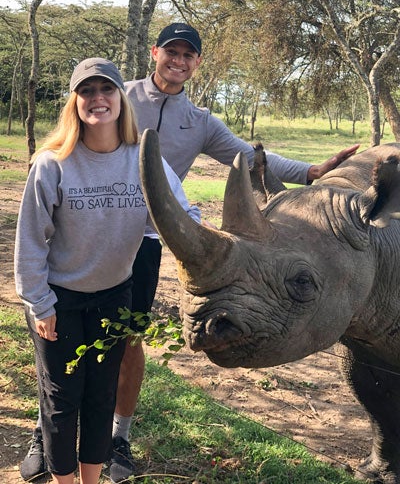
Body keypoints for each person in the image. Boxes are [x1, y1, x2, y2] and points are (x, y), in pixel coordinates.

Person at [21, 26, 359, 484]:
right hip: (83, 237)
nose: (178, 61)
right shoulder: (119, 95)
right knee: (60, 353)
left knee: (127, 342)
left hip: (145, 239)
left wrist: (308, 171)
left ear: (196, 63)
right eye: (171, 52)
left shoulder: (199, 121)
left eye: (188, 55)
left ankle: (117, 434)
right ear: (155, 53)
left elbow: (247, 156)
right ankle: (49, 430)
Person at [15, 57, 200, 484]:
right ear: (75, 102)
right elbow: (30, 242)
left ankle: (91, 480)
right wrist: (40, 305)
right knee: (63, 400)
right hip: (59, 301)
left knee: (100, 397)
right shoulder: (52, 162)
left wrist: (210, 238)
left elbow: (179, 212)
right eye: (87, 91)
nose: (98, 99)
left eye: (107, 89)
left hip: (114, 297)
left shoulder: (143, 158)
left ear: (121, 97)